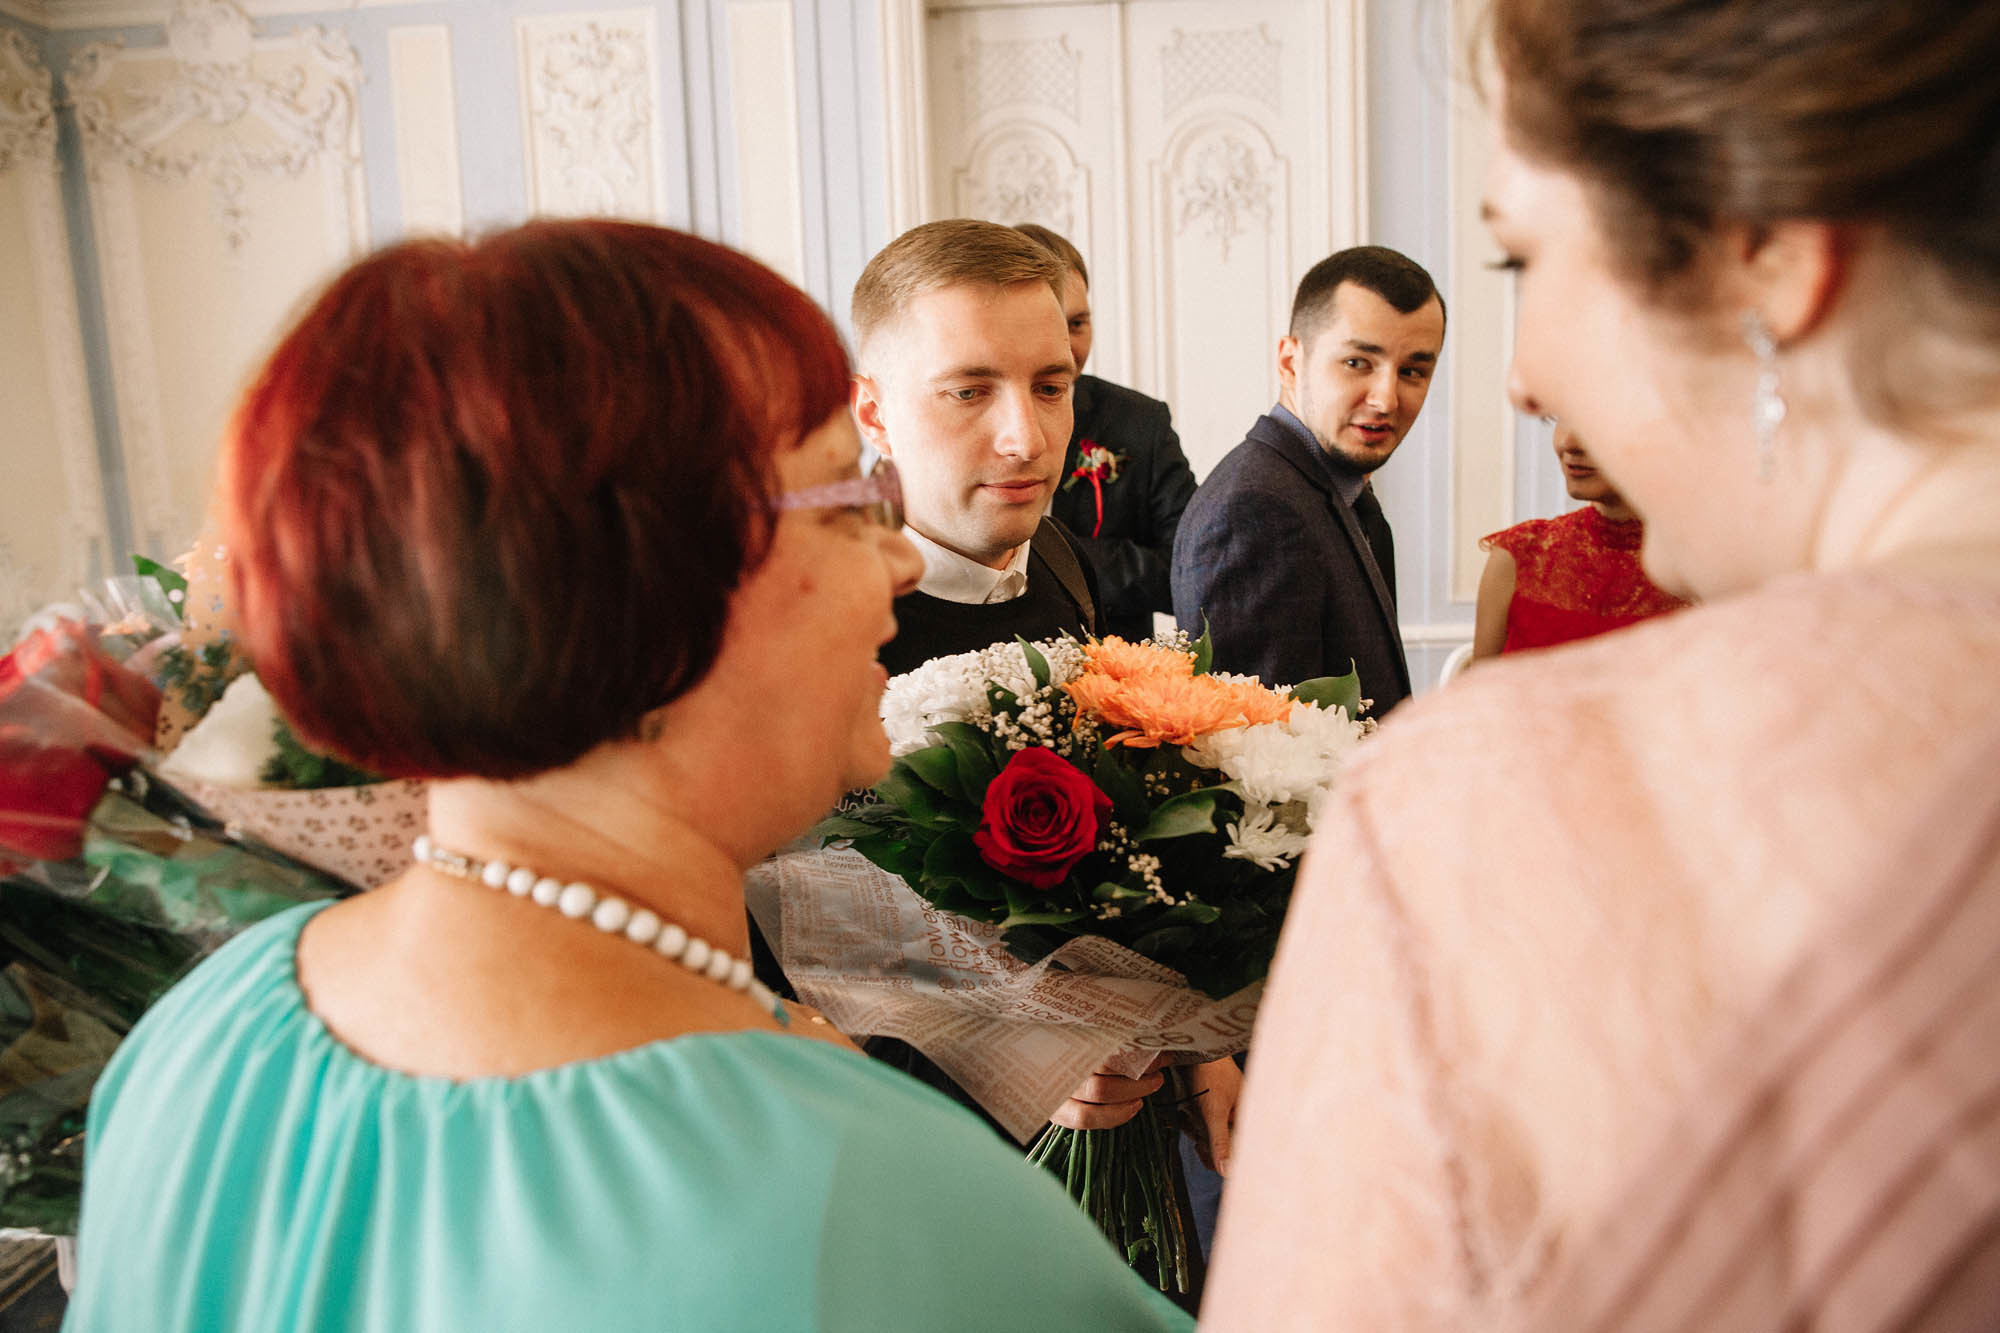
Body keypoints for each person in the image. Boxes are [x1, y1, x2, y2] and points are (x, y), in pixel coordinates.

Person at [62, 221, 1189, 1331]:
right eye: (845, 501)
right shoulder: (870, 1193)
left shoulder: (213, 1028)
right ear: (649, 598)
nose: (898, 555)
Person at [1205, 1, 2000, 1329]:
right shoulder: (1275, 506)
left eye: (1523, 259)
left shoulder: (1482, 802)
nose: (1523, 380)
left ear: (1763, 257)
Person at [842, 219, 1240, 1302]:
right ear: (873, 408)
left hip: (1122, 1145)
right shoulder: (821, 624)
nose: (1026, 437)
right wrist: (1002, 1053)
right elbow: (783, 962)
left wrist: (1196, 1043)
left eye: (1051, 386)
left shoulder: (1058, 553)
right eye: (967, 390)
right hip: (922, 1195)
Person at [1171, 246, 1445, 716]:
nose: (1386, 399)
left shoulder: (1333, 491)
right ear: (1290, 362)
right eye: (1358, 362)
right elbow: (1259, 750)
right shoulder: (1253, 512)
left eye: (1412, 371)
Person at [1015, 224, 1198, 642]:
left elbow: (1194, 567)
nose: (1066, 347)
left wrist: (1061, 557)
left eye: (1077, 323)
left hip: (1113, 658)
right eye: (1047, 325)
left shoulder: (1141, 422)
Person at [1471, 423, 1688, 659]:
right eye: (1563, 417)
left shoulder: (1706, 574)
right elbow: (1482, 683)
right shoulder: (1517, 557)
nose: (1569, 443)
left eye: (1594, 419)